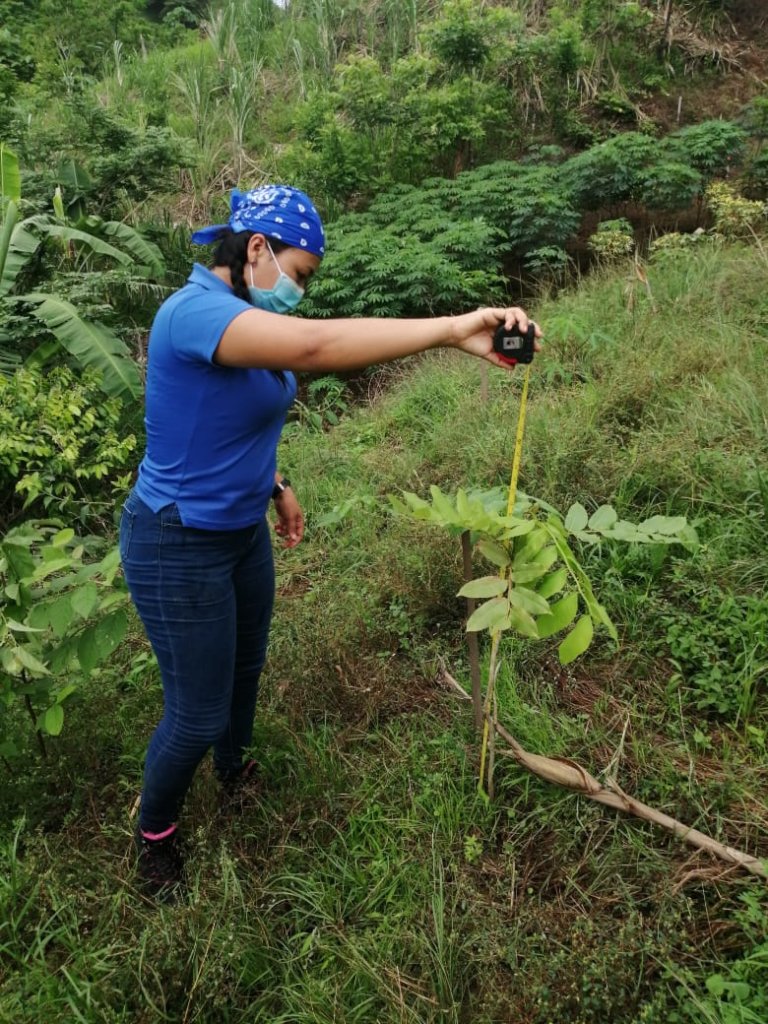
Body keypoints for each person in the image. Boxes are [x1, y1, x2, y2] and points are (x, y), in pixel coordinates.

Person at [119, 184, 542, 899]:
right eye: (300, 272)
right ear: (256, 249)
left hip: (238, 532)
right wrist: (451, 328)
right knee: (196, 712)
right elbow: (316, 346)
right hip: (176, 541)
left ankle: (234, 773)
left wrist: (276, 484)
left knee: (244, 669)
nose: (300, 289)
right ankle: (154, 836)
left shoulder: (246, 312)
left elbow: (223, 418)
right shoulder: (193, 312)